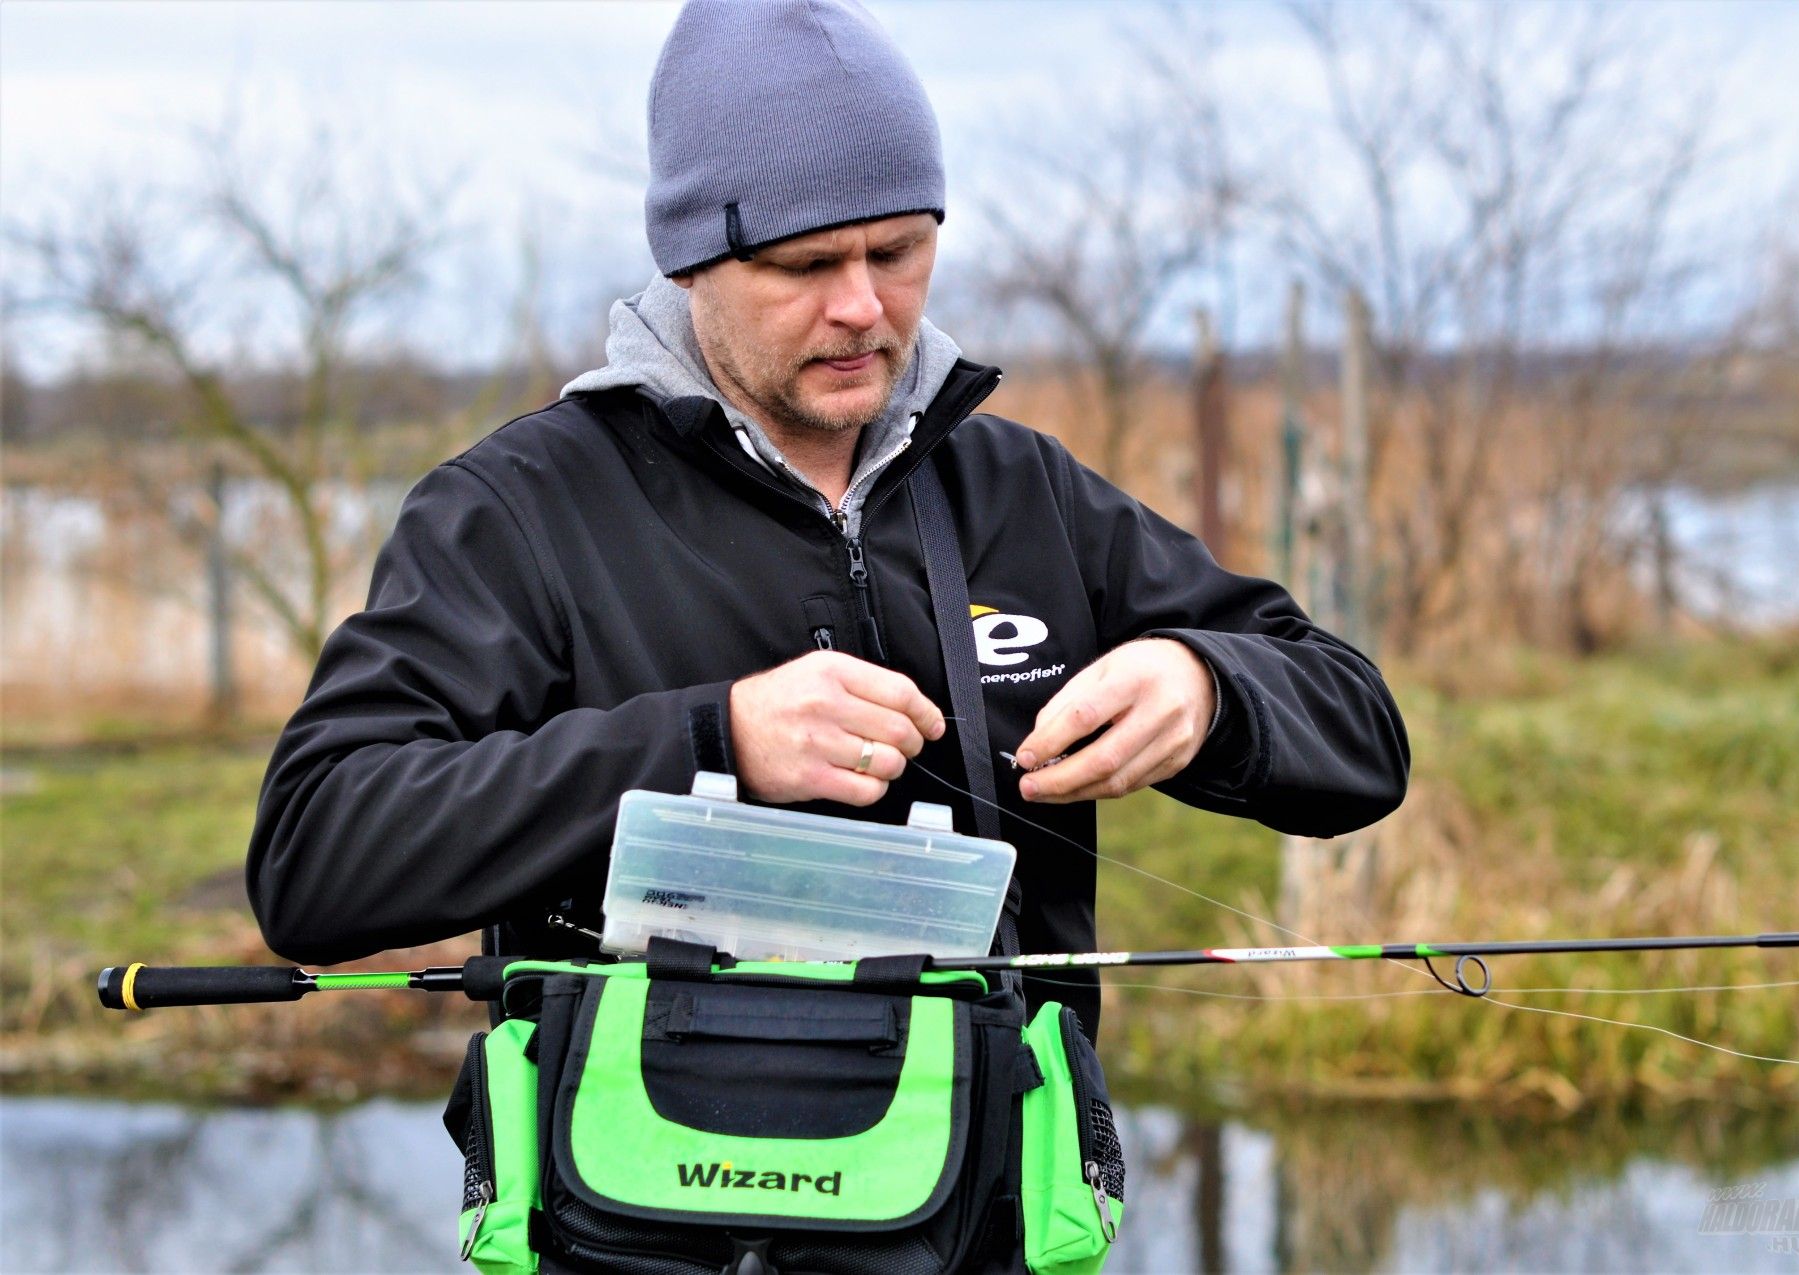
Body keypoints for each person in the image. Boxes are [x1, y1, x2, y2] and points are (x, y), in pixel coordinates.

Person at [246, 0, 1410, 1041]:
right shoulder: (519, 510)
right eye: (806, 265)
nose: (863, 306)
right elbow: (315, 861)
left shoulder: (1018, 489)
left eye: (898, 251)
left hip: (988, 1218)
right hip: (644, 1229)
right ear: (691, 264)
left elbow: (1363, 740)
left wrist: (1208, 690)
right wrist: (714, 744)